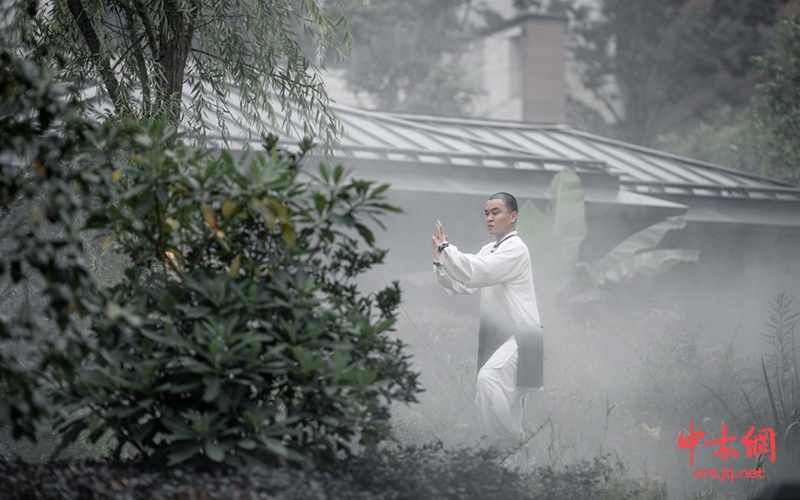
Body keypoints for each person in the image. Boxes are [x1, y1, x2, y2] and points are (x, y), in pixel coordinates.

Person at [431, 192, 543, 446]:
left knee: (488, 380)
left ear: (513, 217)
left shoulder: (516, 249)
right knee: (499, 404)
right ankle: (511, 465)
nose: (490, 218)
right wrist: (441, 263)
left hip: (522, 337)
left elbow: (476, 272)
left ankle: (508, 447)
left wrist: (448, 250)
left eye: (496, 212)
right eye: (486, 213)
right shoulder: (490, 249)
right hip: (499, 339)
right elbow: (462, 284)